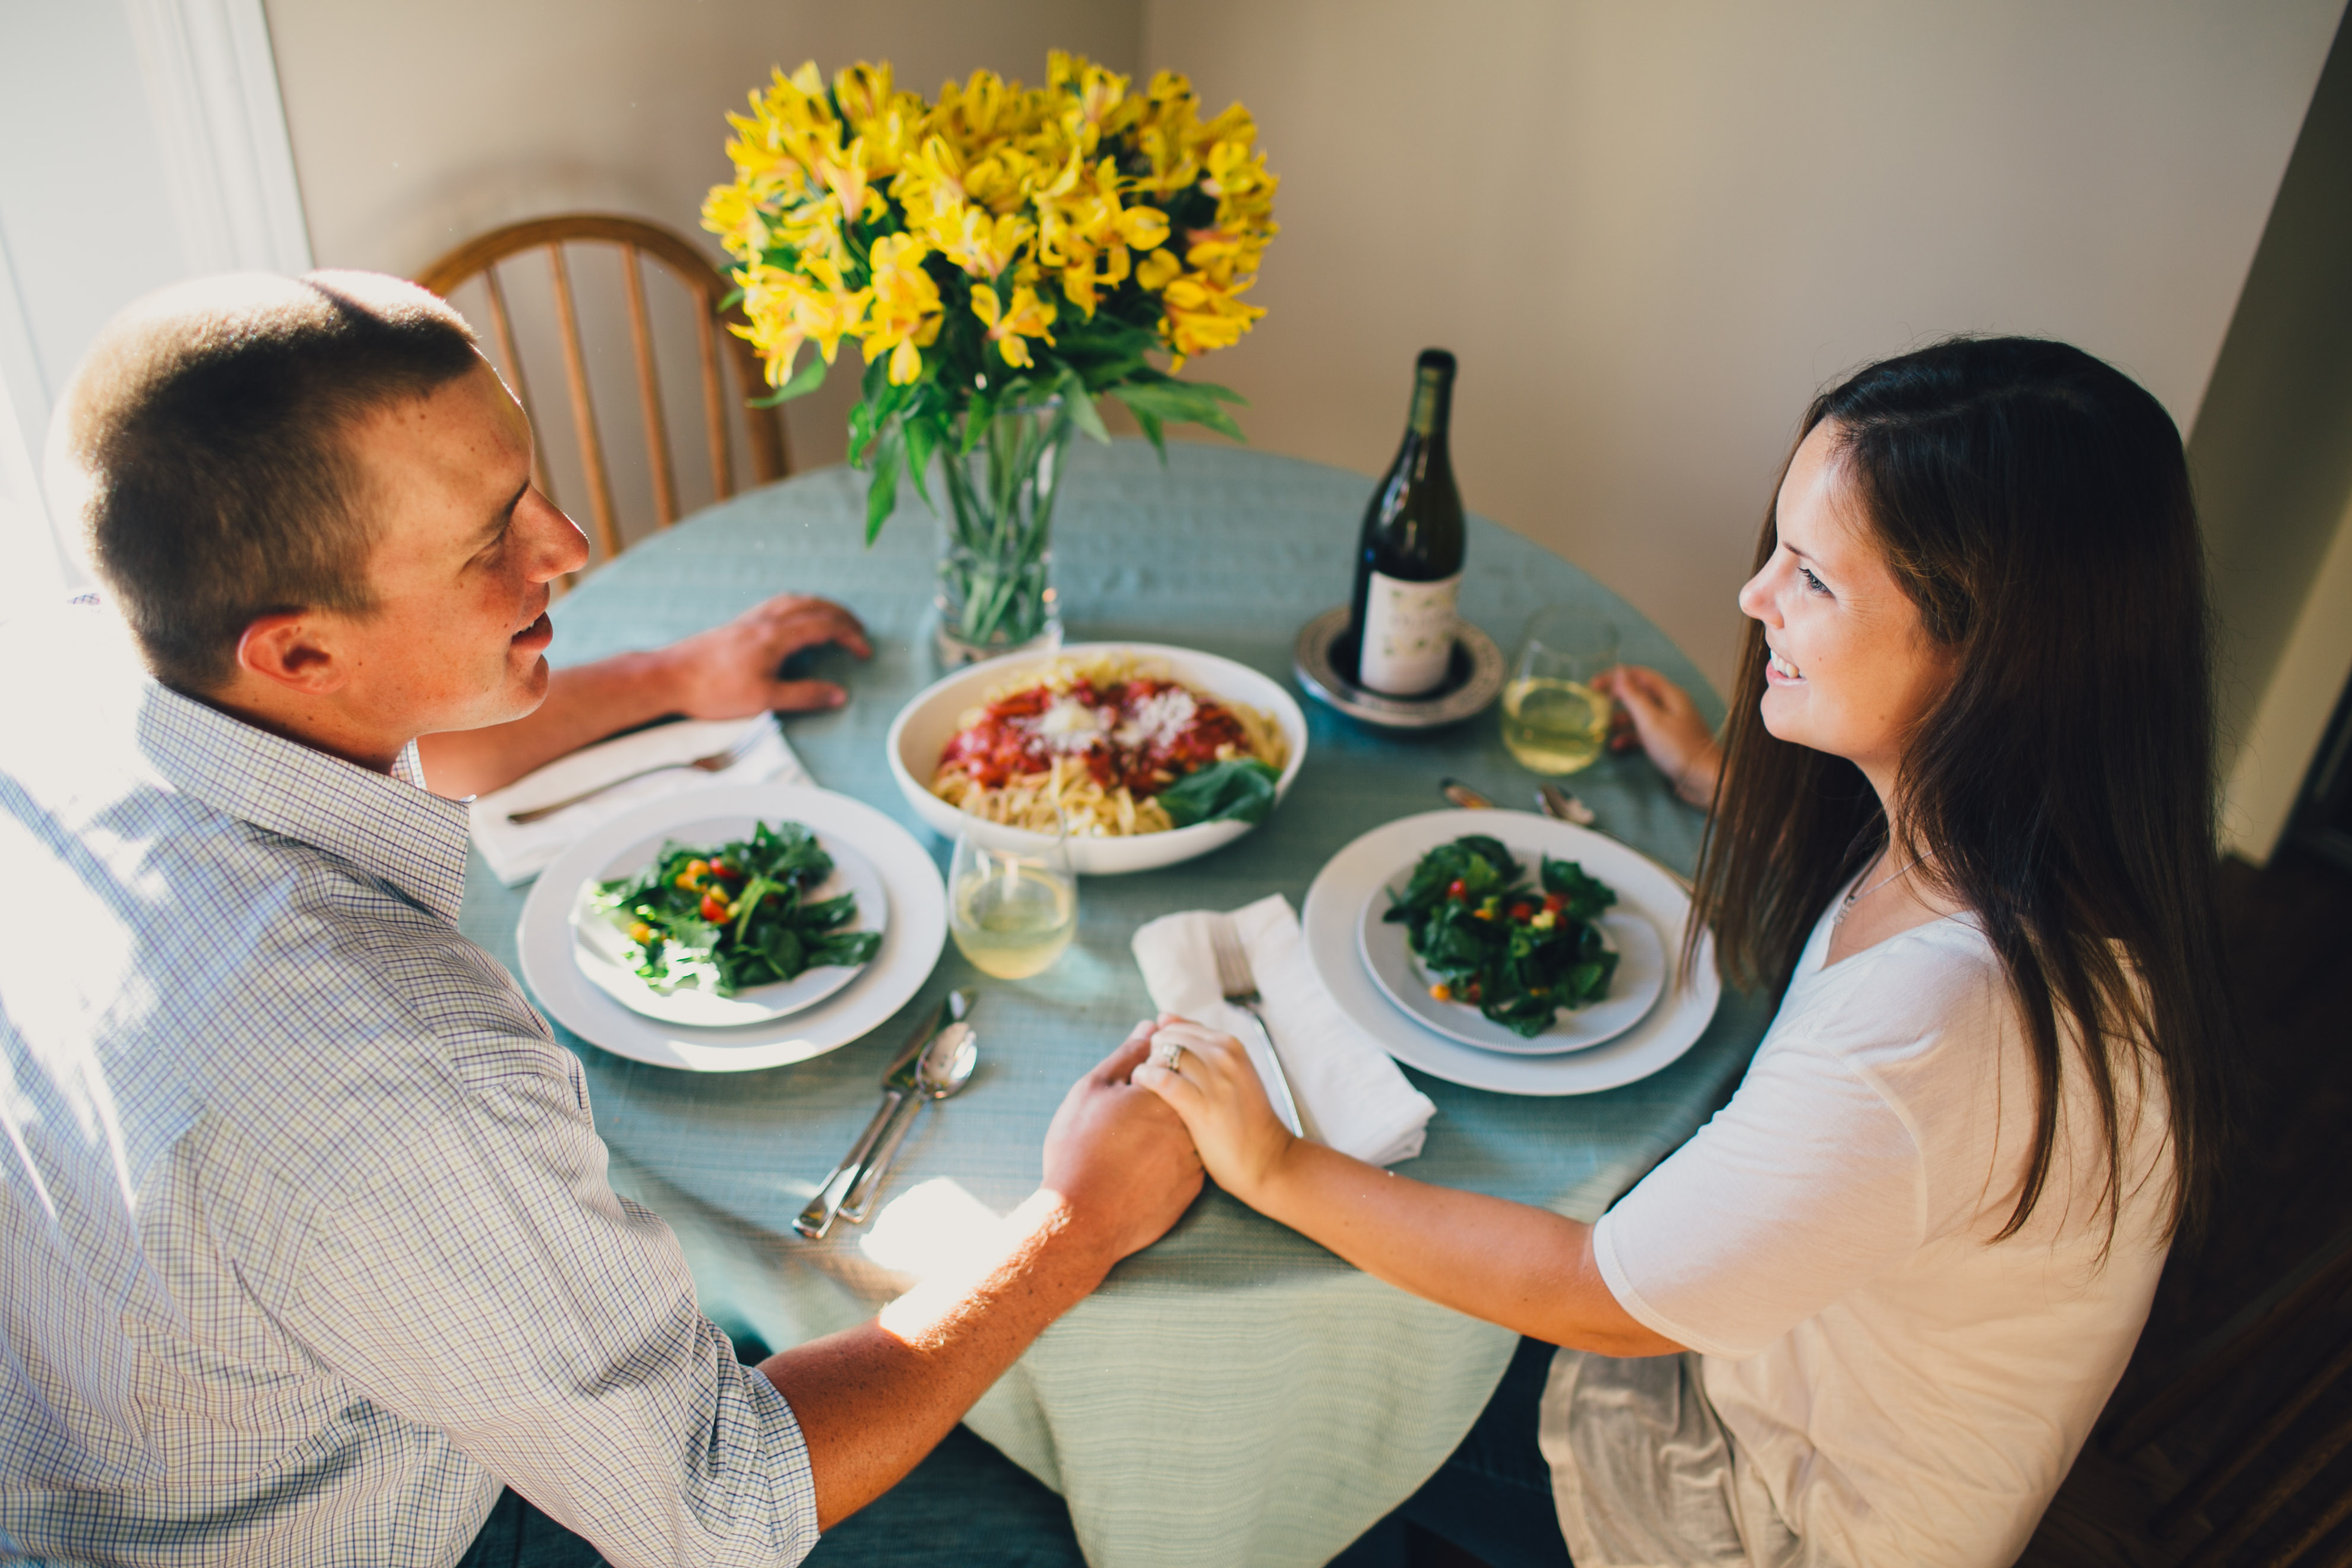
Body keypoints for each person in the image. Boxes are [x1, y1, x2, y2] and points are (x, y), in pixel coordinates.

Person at [0, 271, 1201, 1567]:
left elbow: (386, 734)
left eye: (527, 486)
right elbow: (720, 1506)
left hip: (90, 1434)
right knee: (1080, 1520)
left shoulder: (72, 663)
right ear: (295, 652)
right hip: (378, 1531)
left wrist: (673, 679)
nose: (566, 546)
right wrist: (1076, 1227)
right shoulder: (402, 1072)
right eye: (489, 545)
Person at [1136, 337, 2235, 1567]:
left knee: (1323, 1394)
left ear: (1986, 656)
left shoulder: (1936, 1035)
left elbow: (1592, 1299)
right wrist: (1721, 779)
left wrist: (1278, 1165)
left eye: (1811, 578)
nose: (1755, 597)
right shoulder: (2041, 852)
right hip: (1774, 1374)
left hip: (1763, 1511)